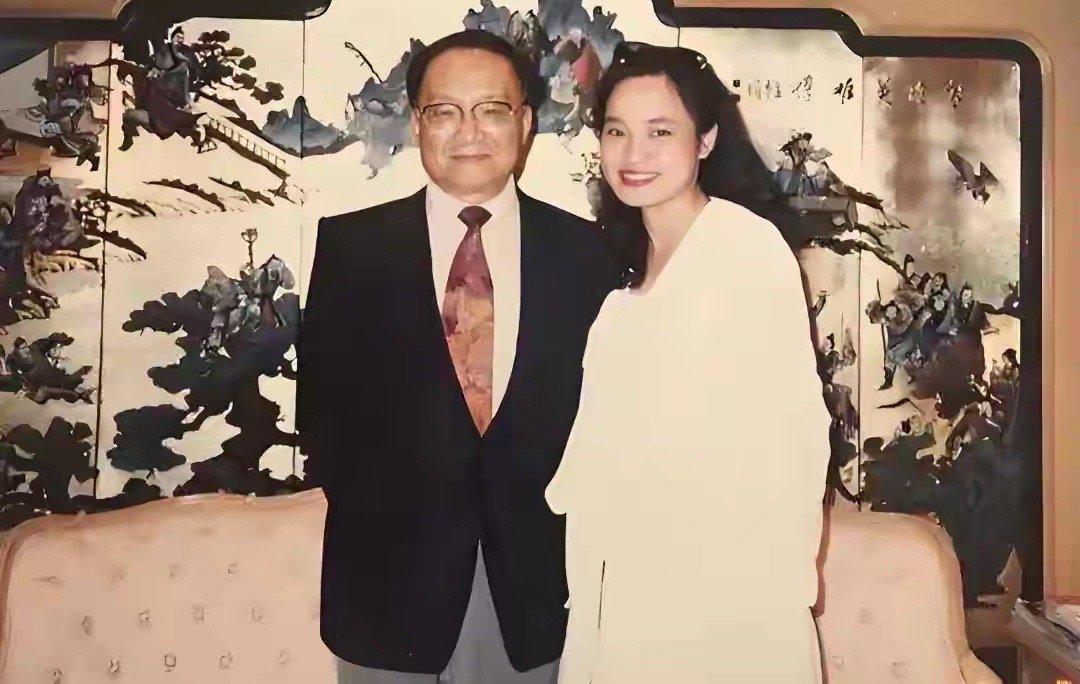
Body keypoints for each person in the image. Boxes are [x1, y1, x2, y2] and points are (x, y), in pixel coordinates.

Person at [298, 29, 616, 684]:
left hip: (537, 594)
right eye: (445, 111)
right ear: (418, 124)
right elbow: (324, 422)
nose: (469, 131)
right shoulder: (353, 248)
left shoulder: (589, 254)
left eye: (492, 110)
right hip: (386, 593)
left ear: (525, 124)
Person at [545, 41, 831, 683]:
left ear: (705, 140)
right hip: (625, 576)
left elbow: (794, 434)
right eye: (616, 131)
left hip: (717, 591)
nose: (633, 153)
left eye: (660, 132)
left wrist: (775, 589)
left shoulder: (744, 249)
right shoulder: (624, 275)